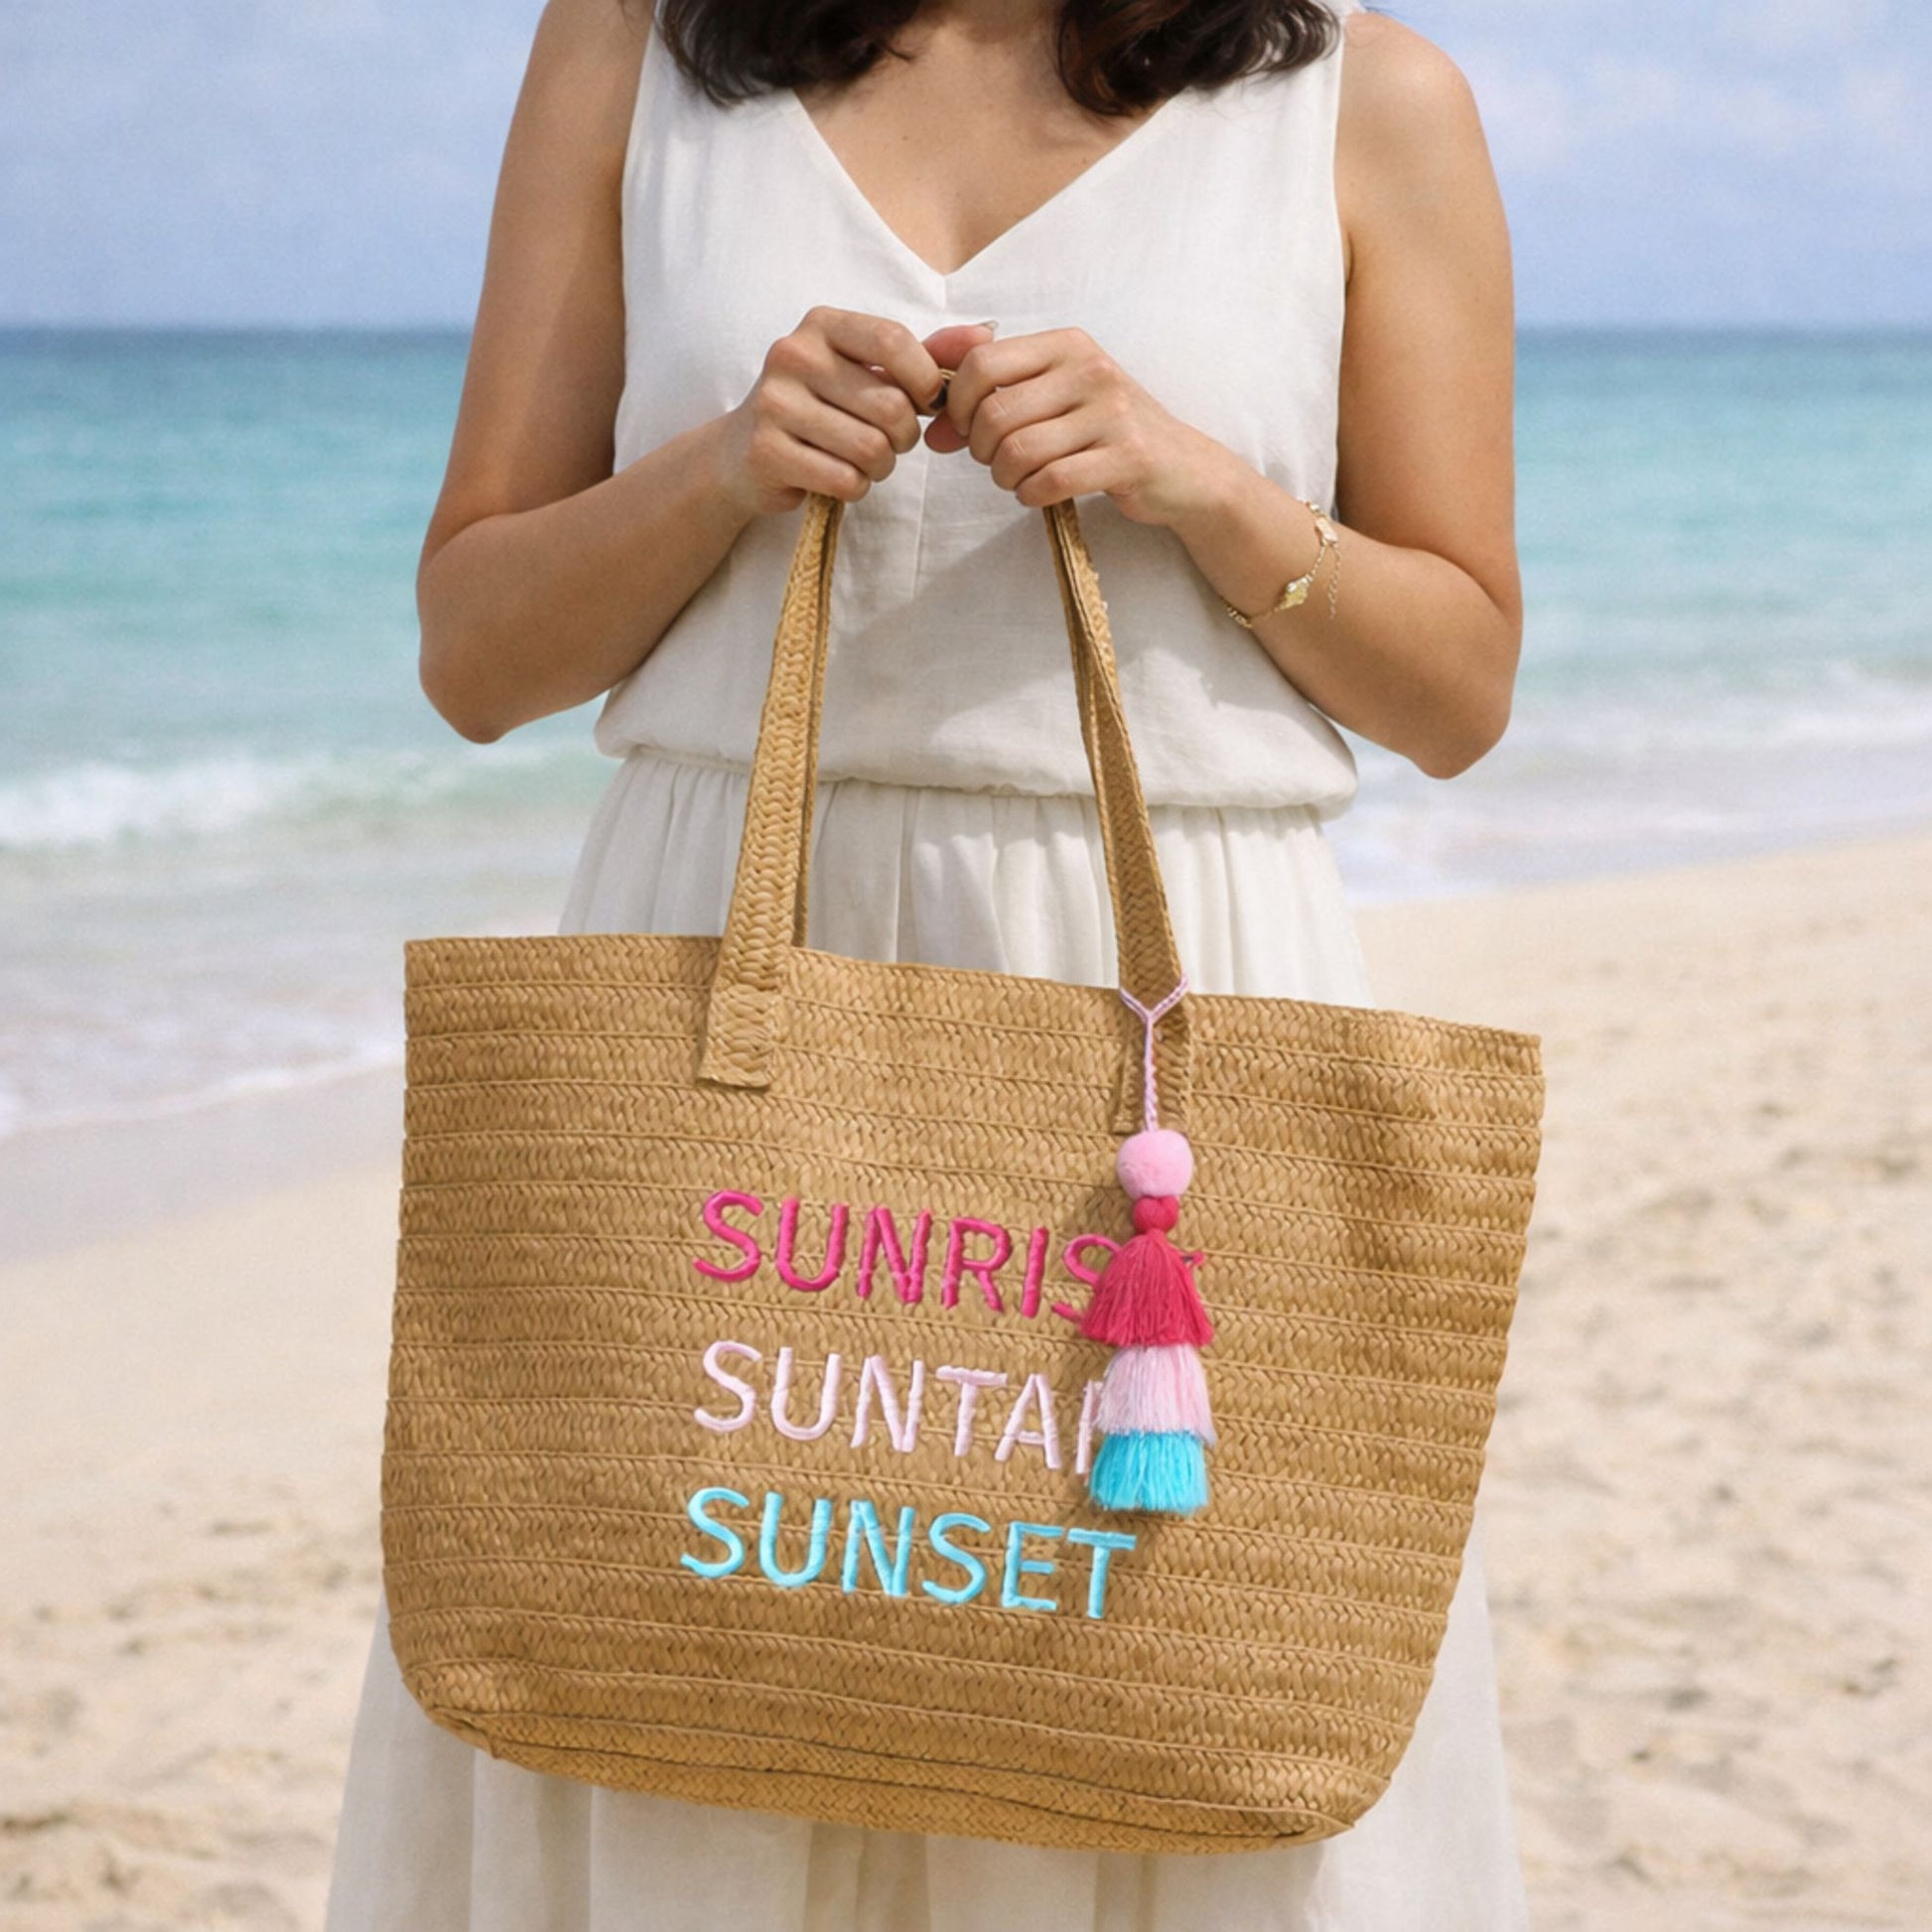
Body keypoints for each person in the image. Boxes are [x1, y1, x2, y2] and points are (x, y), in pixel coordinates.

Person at [324, 0, 1528, 1924]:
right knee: (669, 1630)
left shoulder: (1361, 101)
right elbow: (474, 657)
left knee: (1172, 1675)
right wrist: (726, 471)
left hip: (1165, 1014)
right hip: (719, 946)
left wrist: (1198, 487)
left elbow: (1456, 685)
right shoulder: (631, 48)